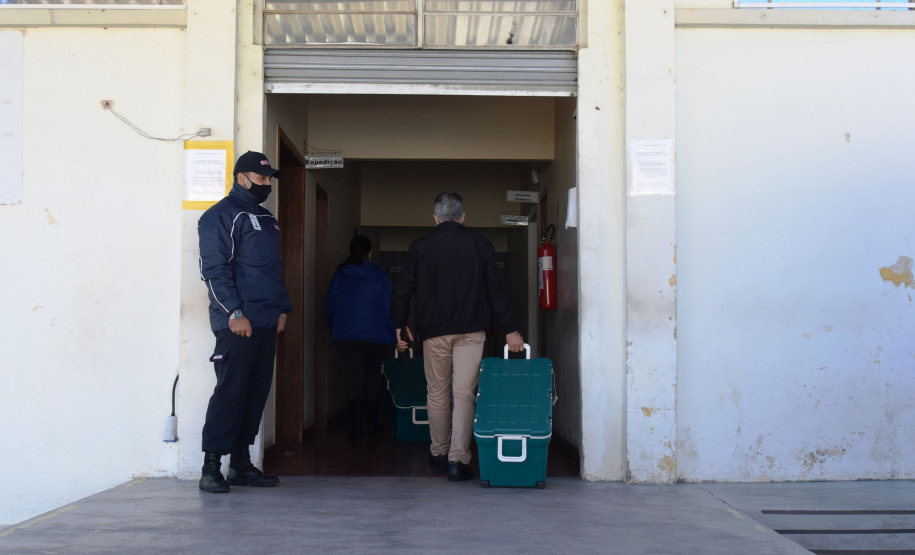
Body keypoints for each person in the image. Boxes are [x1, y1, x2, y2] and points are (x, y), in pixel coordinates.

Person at [391, 192, 524, 482]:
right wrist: (510, 328)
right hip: (472, 331)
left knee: (437, 393)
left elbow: (403, 289)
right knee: (464, 394)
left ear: (435, 218)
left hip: (434, 332)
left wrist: (399, 325)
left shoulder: (419, 247)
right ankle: (457, 461)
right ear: (463, 217)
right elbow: (496, 291)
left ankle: (438, 452)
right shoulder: (481, 245)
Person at [196, 150, 291, 494]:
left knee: (255, 394)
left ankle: (240, 464)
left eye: (268, 180)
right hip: (237, 323)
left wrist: (283, 307)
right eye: (261, 179)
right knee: (230, 394)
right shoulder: (220, 216)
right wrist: (234, 312)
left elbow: (273, 270)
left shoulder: (267, 219)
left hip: (266, 321)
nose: (266, 185)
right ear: (241, 178)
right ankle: (210, 468)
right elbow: (215, 271)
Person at [325, 235, 397, 443]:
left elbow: (330, 307)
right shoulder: (380, 276)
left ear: (349, 252)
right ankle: (373, 424)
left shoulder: (339, 276)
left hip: (345, 336)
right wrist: (394, 337)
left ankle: (356, 428)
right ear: (370, 252)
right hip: (376, 335)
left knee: (354, 379)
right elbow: (388, 309)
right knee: (372, 377)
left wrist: (336, 330)